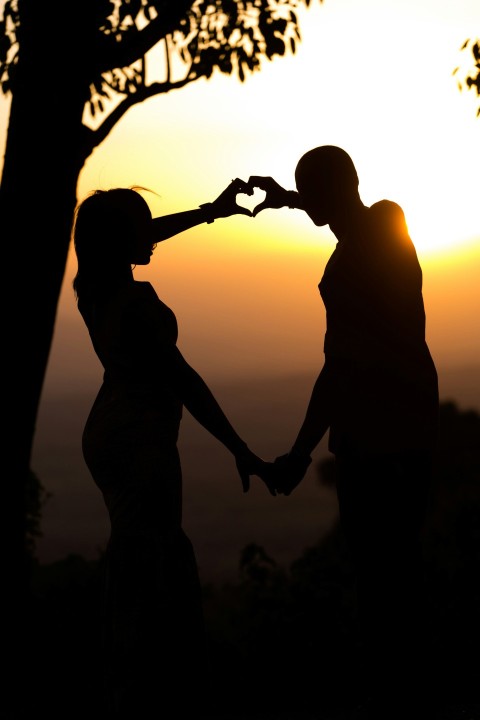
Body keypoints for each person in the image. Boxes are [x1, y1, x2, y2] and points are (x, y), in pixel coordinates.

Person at [248, 146, 439, 719]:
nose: (309, 200)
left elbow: (338, 368)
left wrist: (301, 451)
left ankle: (398, 697)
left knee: (388, 581)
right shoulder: (360, 242)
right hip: (379, 435)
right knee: (384, 577)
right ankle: (397, 692)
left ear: (350, 185)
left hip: (389, 440)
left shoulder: (382, 227)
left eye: (316, 189)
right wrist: (290, 199)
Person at [71, 180, 275, 719]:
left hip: (109, 427)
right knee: (154, 559)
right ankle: (156, 700)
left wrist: (211, 212)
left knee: (136, 554)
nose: (153, 235)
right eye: (141, 225)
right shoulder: (135, 305)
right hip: (139, 436)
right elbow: (182, 379)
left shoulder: (92, 284)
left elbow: (148, 235)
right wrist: (239, 446)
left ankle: (134, 692)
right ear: (122, 239)